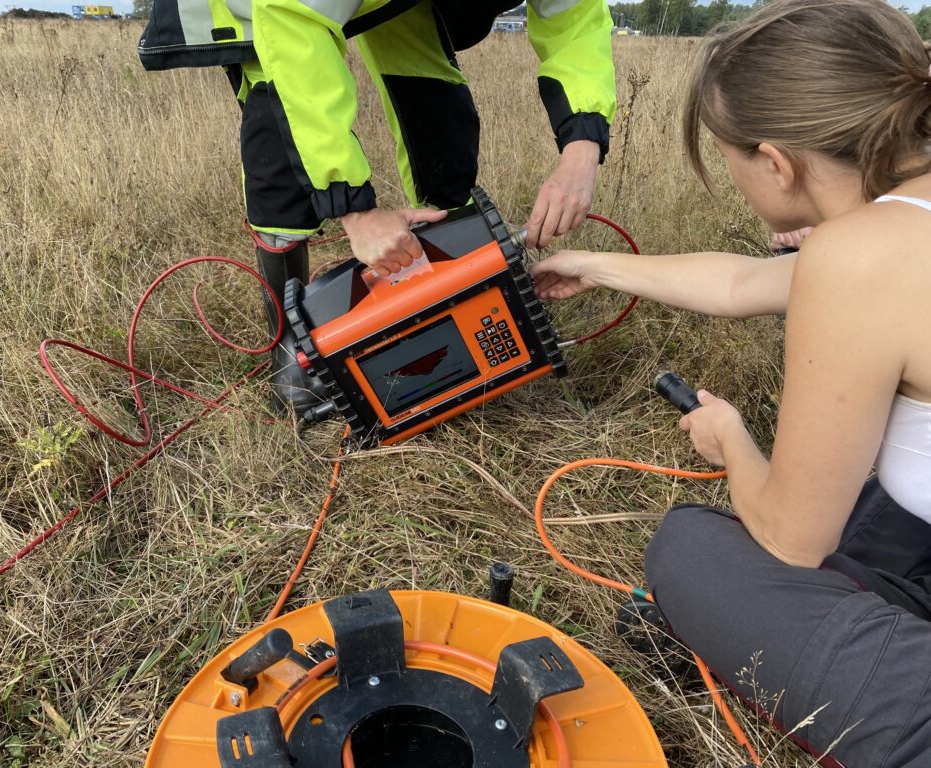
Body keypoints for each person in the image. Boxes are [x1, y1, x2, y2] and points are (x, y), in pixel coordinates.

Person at [529, 1, 931, 765]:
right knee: (874, 508)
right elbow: (749, 279)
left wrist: (732, 441)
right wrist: (595, 266)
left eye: (729, 158)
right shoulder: (902, 222)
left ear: (776, 161)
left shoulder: (858, 260)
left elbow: (789, 537)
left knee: (690, 551)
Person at [138, 0, 617, 415]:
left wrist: (582, 146)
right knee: (276, 123)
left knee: (434, 100)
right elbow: (290, 22)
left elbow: (576, 20)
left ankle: (459, 279)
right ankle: (291, 347)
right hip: (273, 11)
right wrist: (356, 213)